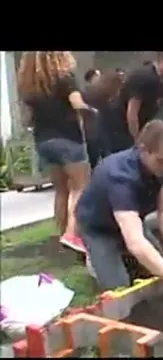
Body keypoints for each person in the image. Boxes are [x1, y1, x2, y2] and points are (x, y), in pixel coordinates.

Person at [76, 120, 163, 311]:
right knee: (120, 291)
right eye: (162, 161)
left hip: (132, 219)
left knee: (161, 269)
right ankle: (94, 260)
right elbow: (136, 242)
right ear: (143, 150)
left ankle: (128, 260)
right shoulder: (120, 176)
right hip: (100, 227)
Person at [17, 51, 94, 253]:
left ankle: (63, 235)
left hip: (43, 141)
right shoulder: (65, 78)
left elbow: (26, 119)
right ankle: (72, 234)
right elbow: (76, 103)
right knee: (81, 187)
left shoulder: (29, 84)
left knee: (61, 191)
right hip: (68, 139)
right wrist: (92, 111)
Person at [104, 51, 163, 154]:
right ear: (162, 61)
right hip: (118, 125)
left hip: (142, 122)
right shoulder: (144, 77)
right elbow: (132, 112)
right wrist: (137, 139)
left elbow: (161, 109)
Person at [82, 70, 124, 168]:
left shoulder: (87, 92)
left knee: (93, 163)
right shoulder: (110, 97)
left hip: (90, 132)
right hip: (105, 133)